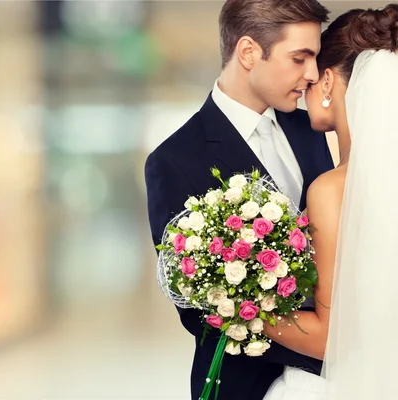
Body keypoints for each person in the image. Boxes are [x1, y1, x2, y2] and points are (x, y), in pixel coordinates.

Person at [144, 1, 334, 398]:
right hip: (241, 385)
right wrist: (316, 344)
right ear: (248, 52)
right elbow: (195, 306)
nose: (312, 75)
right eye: (300, 58)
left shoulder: (309, 129)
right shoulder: (173, 160)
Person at [262, 4, 398, 399]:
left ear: (327, 82)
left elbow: (328, 338)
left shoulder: (333, 189)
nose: (304, 85)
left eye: (311, 76)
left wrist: (237, 305)